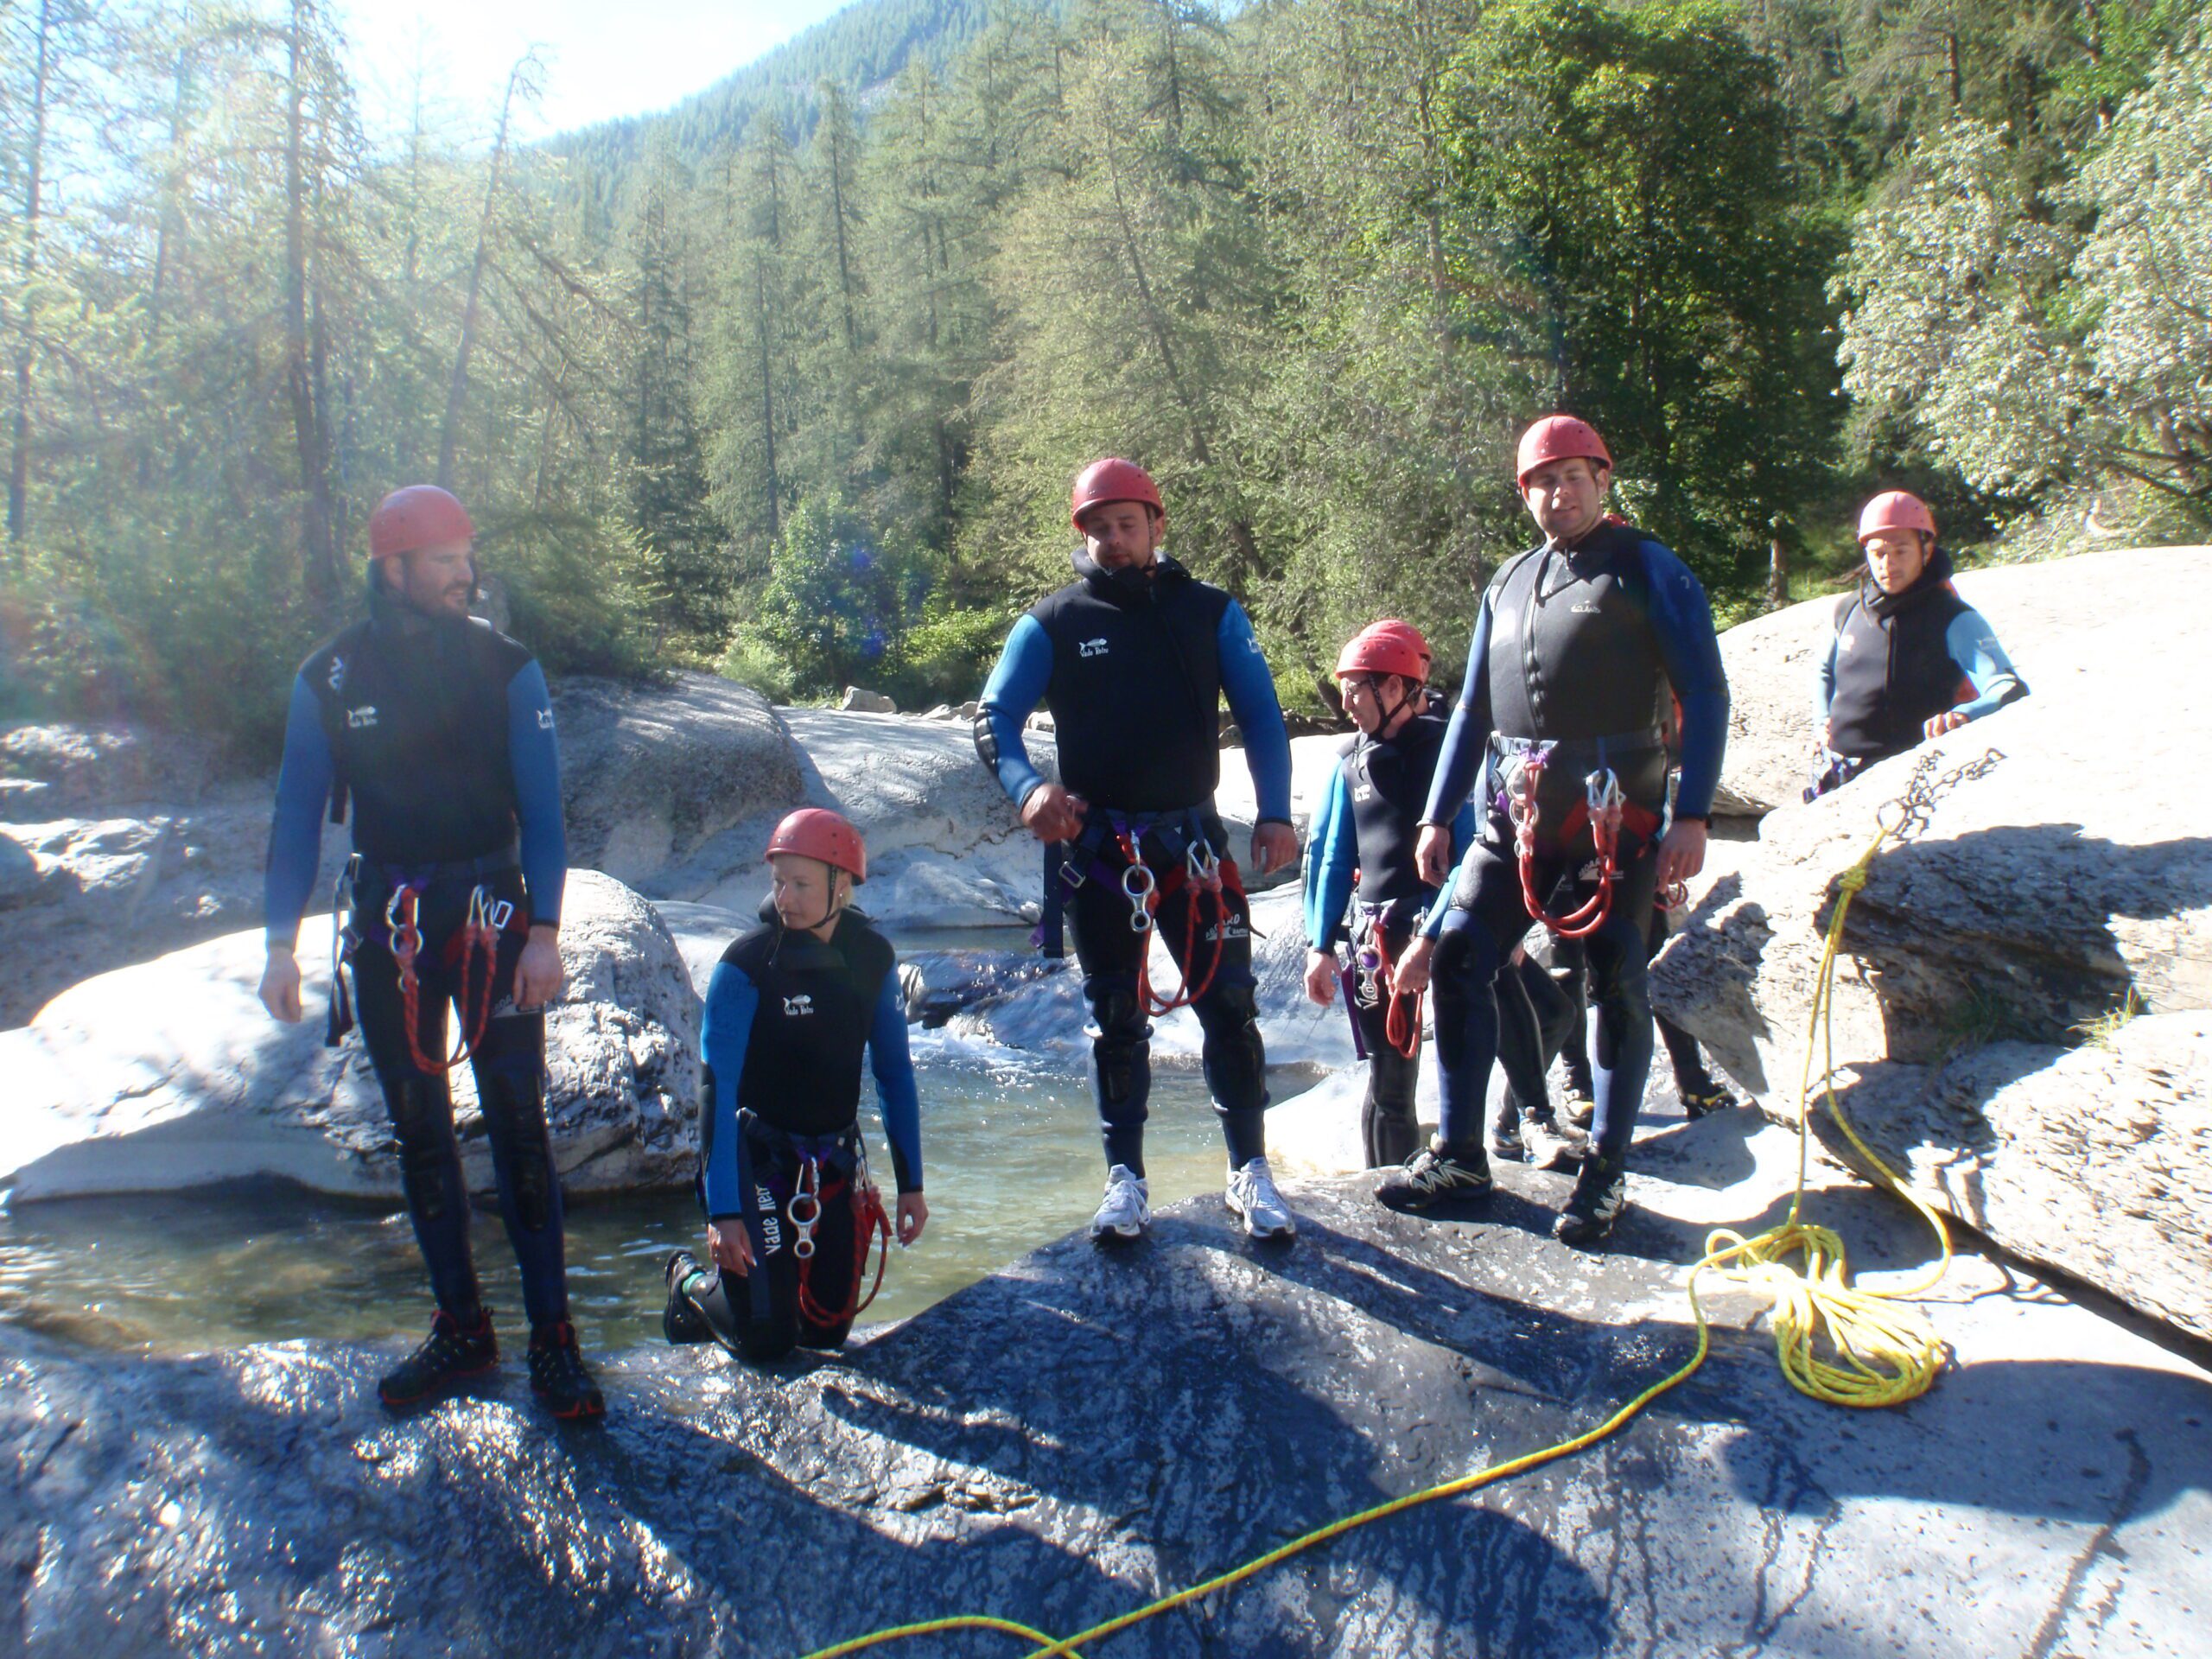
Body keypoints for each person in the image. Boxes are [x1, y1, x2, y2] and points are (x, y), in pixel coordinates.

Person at [258, 483, 601, 1419]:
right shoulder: (330, 676)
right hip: (391, 924)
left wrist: (544, 934)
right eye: (447, 560)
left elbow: (542, 813)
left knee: (519, 1125)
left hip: (492, 914)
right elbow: (296, 813)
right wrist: (279, 946)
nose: (466, 573)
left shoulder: (506, 666)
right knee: (419, 1131)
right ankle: (462, 1328)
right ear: (394, 568)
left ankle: (554, 1342)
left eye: (467, 557)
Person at [1385, 416, 1729, 1247]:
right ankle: (1462, 1155)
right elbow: (1471, 707)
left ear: (1603, 481)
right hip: (1519, 813)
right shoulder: (1506, 582)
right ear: (1524, 492)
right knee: (1460, 954)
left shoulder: (1649, 568)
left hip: (1619, 809)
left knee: (1616, 979)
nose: (1560, 491)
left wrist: (1693, 814)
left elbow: (1706, 695)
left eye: (1576, 475)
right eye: (1544, 479)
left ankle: (1606, 1173)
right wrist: (1437, 812)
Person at [974, 458, 1300, 1242]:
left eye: (1128, 524)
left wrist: (1277, 814)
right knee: (1116, 1015)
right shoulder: (1052, 622)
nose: (1114, 540)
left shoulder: (1212, 614)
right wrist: (1028, 790)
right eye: (1099, 528)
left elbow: (1261, 717)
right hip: (1099, 849)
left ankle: (1248, 1172)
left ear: (1157, 525)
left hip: (1191, 844)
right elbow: (994, 720)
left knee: (1229, 1006)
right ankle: (1126, 1179)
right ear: (1081, 534)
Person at [664, 809, 927, 1363]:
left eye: (801, 884)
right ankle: (687, 1285)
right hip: (756, 1159)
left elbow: (894, 1073)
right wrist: (724, 1212)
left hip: (831, 1160)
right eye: (778, 882)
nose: (785, 897)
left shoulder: (872, 959)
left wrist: (911, 1186)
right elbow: (718, 1087)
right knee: (768, 1339)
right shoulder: (748, 963)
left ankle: (746, 1295)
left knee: (826, 1333)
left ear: (843, 885)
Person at [1300, 620, 1476, 1166]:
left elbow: (1469, 856)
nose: (1345, 700)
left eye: (1356, 687)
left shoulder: (1447, 754)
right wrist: (1320, 944)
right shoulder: (1350, 761)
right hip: (1376, 936)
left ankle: (1519, 1115)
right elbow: (1332, 857)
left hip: (1435, 931)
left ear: (1396, 688)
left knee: (1544, 1014)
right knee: (1386, 1077)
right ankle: (1383, 1193)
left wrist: (1430, 937)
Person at [1806, 490, 2028, 801]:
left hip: (1910, 779)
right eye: (1878, 553)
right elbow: (1824, 670)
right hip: (1839, 771)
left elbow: (2008, 686)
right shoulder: (1849, 609)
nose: (1888, 564)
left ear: (1926, 550)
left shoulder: (1952, 616)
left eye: (1901, 551)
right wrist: (1821, 721)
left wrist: (1965, 714)